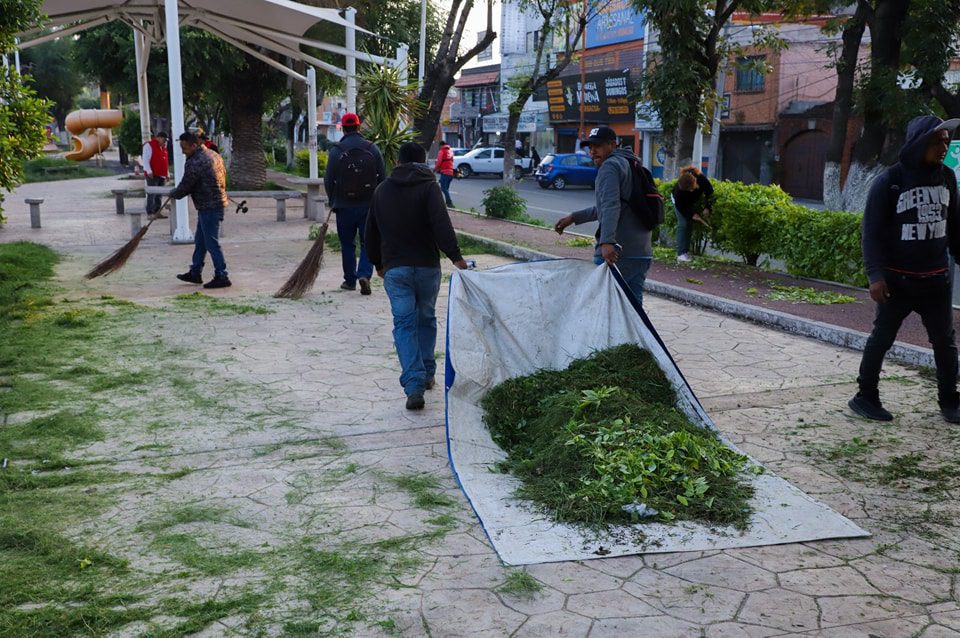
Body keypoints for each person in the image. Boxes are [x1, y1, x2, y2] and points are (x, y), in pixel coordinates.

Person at [850, 115, 960, 423]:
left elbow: (956, 227)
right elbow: (870, 232)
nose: (945, 145)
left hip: (936, 281)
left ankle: (950, 402)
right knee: (881, 339)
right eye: (938, 140)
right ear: (920, 142)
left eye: (947, 140)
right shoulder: (890, 181)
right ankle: (865, 397)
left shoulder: (947, 177)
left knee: (945, 343)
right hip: (897, 282)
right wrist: (875, 276)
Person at [365, 142, 469, 411]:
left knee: (404, 325)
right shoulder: (430, 186)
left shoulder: (382, 190)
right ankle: (428, 373)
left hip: (395, 269)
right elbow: (441, 224)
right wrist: (455, 257)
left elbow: (371, 231)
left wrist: (377, 262)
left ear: (397, 162)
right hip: (427, 268)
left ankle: (414, 385)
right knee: (426, 317)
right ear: (423, 162)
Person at [554, 126, 654, 305]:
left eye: (598, 146)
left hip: (618, 253)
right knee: (633, 312)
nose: (593, 152)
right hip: (642, 252)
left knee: (602, 309)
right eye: (590, 147)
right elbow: (612, 206)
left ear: (612, 145)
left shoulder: (610, 166)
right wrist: (574, 217)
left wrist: (607, 242)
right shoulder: (632, 163)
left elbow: (610, 206)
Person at [324, 112, 386, 296]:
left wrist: (333, 200)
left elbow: (328, 180)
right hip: (368, 206)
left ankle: (350, 280)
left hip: (344, 206)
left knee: (347, 244)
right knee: (367, 243)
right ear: (359, 127)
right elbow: (382, 178)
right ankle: (365, 274)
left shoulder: (336, 151)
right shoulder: (372, 148)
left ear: (343, 128)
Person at [172, 131, 232, 289]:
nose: (182, 151)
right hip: (213, 204)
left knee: (211, 243)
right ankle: (195, 272)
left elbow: (186, 185)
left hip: (209, 206)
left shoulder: (195, 161)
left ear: (194, 145)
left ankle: (222, 275)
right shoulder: (213, 154)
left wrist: (174, 194)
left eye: (184, 148)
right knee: (200, 241)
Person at [672, 165, 714, 262]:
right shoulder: (679, 192)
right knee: (683, 224)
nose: (691, 190)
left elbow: (710, 191)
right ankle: (681, 254)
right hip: (680, 203)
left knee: (689, 225)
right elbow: (681, 206)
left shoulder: (701, 178)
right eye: (689, 190)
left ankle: (685, 252)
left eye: (692, 188)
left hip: (691, 202)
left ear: (695, 181)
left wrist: (707, 207)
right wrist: (691, 214)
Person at [142, 131, 169, 219]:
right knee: (152, 194)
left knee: (159, 195)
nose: (165, 142)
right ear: (159, 138)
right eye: (164, 140)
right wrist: (149, 170)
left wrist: (167, 173)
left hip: (161, 174)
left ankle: (157, 211)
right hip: (152, 174)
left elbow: (165, 161)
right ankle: (150, 212)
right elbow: (145, 159)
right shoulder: (149, 145)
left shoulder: (163, 147)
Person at [434, 141, 455, 207]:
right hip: (451, 173)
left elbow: (439, 162)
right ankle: (447, 203)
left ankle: (449, 203)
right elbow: (452, 161)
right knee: (446, 189)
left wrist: (434, 170)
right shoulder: (450, 151)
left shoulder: (441, 151)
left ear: (441, 145)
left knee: (443, 189)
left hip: (444, 172)